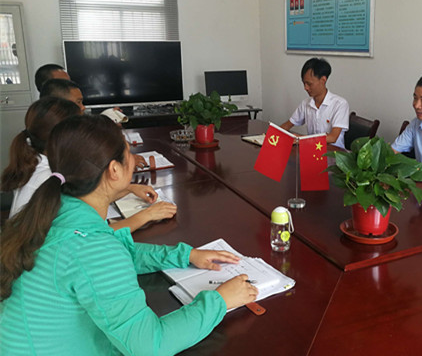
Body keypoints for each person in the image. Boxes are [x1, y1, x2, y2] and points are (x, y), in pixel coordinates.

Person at [0, 114, 258, 355]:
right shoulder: (90, 247)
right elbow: (150, 345)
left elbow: (119, 253)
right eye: (129, 154)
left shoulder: (57, 209)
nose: (134, 160)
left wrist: (186, 255)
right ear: (114, 170)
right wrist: (221, 301)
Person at [1, 99, 175, 233]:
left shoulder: (43, 162)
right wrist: (147, 215)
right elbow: (93, 235)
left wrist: (129, 188)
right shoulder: (49, 177)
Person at [280, 58, 349, 148]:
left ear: (323, 80)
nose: (306, 88)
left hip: (333, 153)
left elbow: (332, 138)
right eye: (304, 83)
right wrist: (270, 135)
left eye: (309, 84)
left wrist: (301, 139)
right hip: (312, 151)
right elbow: (288, 124)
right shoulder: (306, 103)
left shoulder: (340, 104)